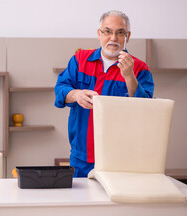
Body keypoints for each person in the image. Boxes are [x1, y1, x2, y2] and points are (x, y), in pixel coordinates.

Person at [54, 10, 154, 177]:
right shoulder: (80, 60)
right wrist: (76, 94)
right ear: (99, 34)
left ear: (127, 37)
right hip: (82, 157)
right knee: (82, 202)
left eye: (120, 32)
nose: (113, 38)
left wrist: (129, 76)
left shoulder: (139, 68)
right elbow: (60, 88)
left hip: (121, 159)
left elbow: (145, 110)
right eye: (107, 31)